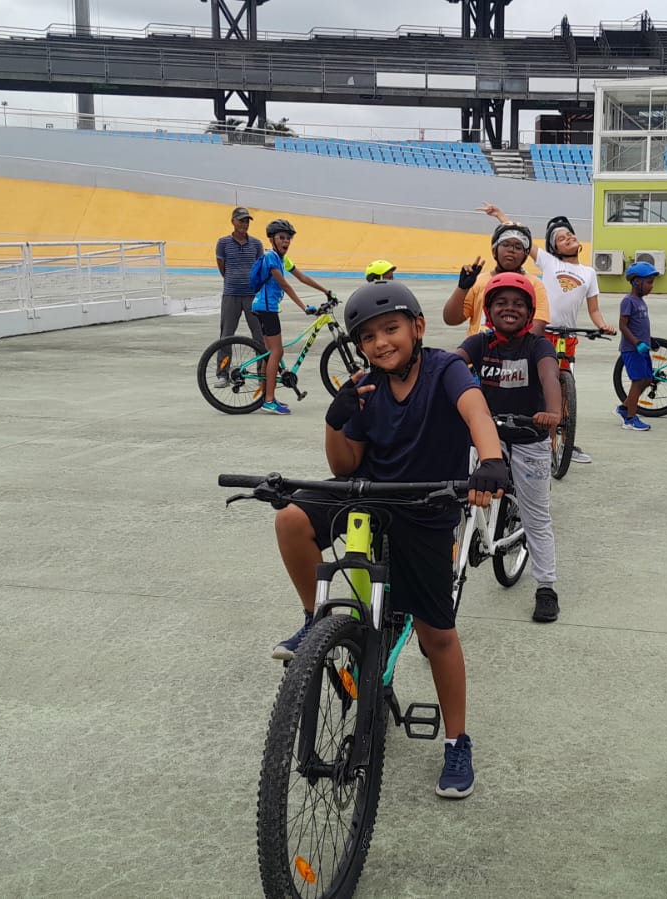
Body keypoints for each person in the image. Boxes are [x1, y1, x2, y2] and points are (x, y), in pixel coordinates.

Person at [271, 281, 507, 798]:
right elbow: (343, 466)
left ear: (418, 328)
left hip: (424, 510)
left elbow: (476, 413)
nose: (380, 343)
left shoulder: (447, 369)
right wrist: (339, 417)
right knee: (290, 518)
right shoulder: (365, 385)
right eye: (368, 337)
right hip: (368, 497)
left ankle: (456, 741)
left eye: (391, 329)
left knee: (436, 635)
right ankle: (316, 622)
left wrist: (490, 460)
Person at [454, 273, 565, 623]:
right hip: (488, 434)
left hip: (529, 436)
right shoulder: (480, 343)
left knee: (536, 515)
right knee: (455, 498)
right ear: (488, 309)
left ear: (530, 313)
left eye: (518, 304)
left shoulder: (538, 346)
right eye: (501, 302)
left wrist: (553, 413)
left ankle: (546, 586)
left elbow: (550, 376)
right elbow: (452, 363)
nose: (509, 309)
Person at [480, 204, 613, 466]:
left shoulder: (589, 272)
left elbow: (594, 309)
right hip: (545, 332)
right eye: (561, 238)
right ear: (554, 248)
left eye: (571, 235)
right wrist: (500, 216)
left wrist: (603, 324)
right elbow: (521, 238)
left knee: (565, 389)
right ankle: (545, 440)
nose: (569, 238)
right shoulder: (548, 262)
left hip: (569, 335)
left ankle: (565, 442)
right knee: (541, 387)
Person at [252, 219, 329, 415]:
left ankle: (265, 396)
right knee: (277, 352)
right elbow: (285, 285)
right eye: (281, 238)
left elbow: (302, 277)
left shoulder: (282, 259)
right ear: (272, 239)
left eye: (288, 238)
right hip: (267, 308)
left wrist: (325, 290)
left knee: (270, 354)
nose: (286, 241)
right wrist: (305, 308)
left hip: (264, 307)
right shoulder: (270, 258)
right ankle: (269, 400)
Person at [442, 222, 550, 338]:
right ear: (494, 251)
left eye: (518, 247)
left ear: (525, 255)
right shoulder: (478, 281)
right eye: (505, 244)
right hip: (479, 351)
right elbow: (451, 319)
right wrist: (462, 288)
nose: (511, 250)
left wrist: (507, 348)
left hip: (517, 353)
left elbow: (538, 326)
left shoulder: (535, 285)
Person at [213, 207, 265, 389]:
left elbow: (261, 268)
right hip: (231, 295)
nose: (244, 224)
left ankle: (263, 375)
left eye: (247, 221)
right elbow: (222, 267)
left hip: (253, 296)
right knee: (226, 336)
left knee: (259, 336)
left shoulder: (257, 244)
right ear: (233, 221)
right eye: (241, 220)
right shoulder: (223, 243)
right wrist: (233, 280)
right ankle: (222, 374)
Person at [615, 261, 660, 433]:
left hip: (642, 347)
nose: (652, 286)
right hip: (632, 349)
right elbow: (623, 326)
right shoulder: (628, 301)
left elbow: (640, 326)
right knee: (637, 382)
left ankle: (624, 408)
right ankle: (630, 419)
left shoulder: (640, 301)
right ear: (636, 282)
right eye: (649, 282)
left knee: (647, 379)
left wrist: (649, 340)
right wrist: (636, 343)